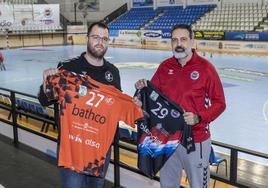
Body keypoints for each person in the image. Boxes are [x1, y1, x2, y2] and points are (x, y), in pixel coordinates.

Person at [134, 24, 226, 188]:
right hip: (168, 139)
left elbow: (220, 103)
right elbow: (152, 96)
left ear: (192, 42)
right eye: (174, 40)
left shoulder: (206, 69)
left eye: (183, 39)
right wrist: (141, 95)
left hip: (196, 140)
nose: (179, 43)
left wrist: (199, 117)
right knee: (167, 184)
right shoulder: (165, 67)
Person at [38, 22, 121, 188]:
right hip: (72, 146)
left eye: (104, 39)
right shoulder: (68, 67)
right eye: (96, 37)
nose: (100, 42)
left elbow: (115, 109)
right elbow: (44, 100)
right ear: (87, 38)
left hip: (100, 149)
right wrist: (46, 84)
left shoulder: (113, 72)